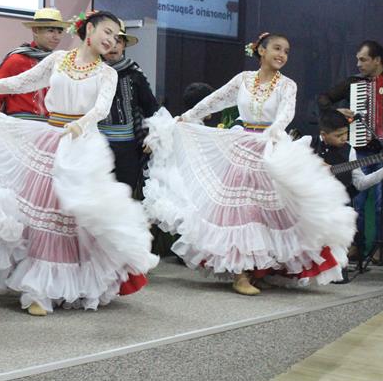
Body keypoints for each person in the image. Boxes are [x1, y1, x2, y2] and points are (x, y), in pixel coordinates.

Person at [0, 10, 157, 316]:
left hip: (81, 145)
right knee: (42, 214)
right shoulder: (57, 60)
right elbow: (19, 83)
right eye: (107, 31)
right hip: (49, 138)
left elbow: (102, 109)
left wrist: (83, 124)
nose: (112, 39)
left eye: (116, 36)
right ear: (89, 29)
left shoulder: (108, 73)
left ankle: (71, 283)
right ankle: (39, 289)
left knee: (73, 218)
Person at [143, 32, 357, 295]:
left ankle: (261, 270)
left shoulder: (287, 85)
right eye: (277, 48)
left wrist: (273, 134)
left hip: (270, 147)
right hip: (242, 147)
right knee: (240, 213)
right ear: (261, 51)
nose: (282, 55)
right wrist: (184, 118)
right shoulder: (243, 80)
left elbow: (285, 114)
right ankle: (240, 274)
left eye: (286, 51)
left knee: (268, 215)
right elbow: (215, 100)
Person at [317, 41, 383, 262]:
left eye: (363, 59)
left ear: (377, 61)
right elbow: (323, 98)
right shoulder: (354, 83)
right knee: (357, 202)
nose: (358, 64)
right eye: (358, 59)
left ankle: (380, 249)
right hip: (360, 150)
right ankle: (355, 245)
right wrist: (336, 110)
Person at [312, 109, 383, 281]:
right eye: (338, 135)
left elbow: (360, 183)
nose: (344, 138)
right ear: (324, 134)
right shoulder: (308, 144)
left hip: (337, 206)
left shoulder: (349, 151)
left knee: (340, 279)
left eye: (346, 134)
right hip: (310, 204)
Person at [101, 20, 158, 191]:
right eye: (108, 41)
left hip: (128, 146)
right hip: (97, 146)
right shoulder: (92, 71)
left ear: (124, 44)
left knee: (125, 192)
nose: (113, 46)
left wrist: (154, 135)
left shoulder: (134, 73)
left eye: (118, 41)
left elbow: (151, 107)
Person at [0, 7, 71, 121]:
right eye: (50, 31)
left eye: (60, 32)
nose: (56, 37)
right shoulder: (17, 60)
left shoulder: (60, 63)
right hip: (21, 126)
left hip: (50, 128)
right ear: (35, 30)